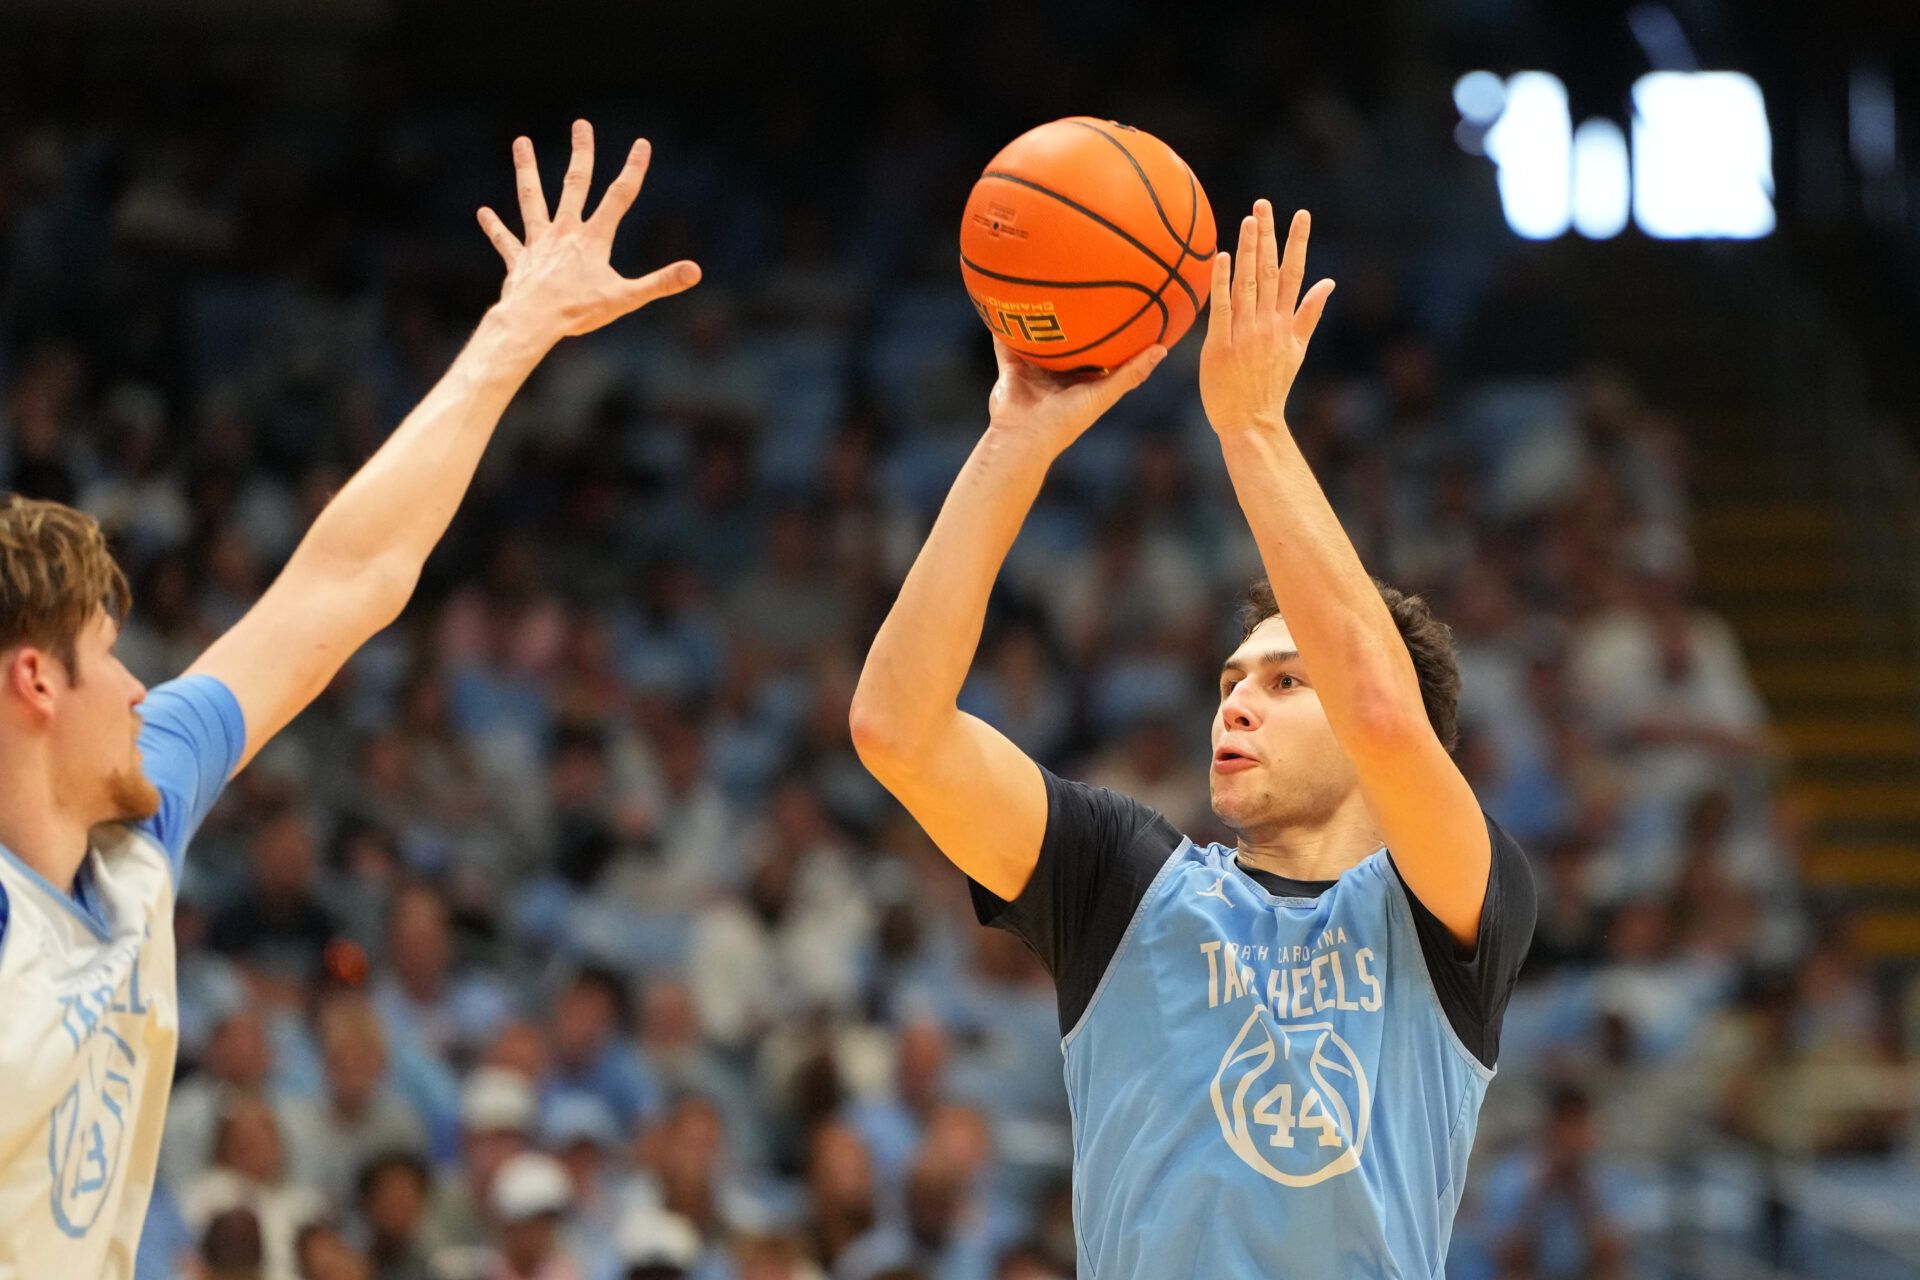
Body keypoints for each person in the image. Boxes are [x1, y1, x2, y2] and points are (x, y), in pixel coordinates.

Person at [0, 119, 700, 1275]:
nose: (140, 684)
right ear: (34, 680)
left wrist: (511, 336)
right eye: (107, 653)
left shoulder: (141, 808)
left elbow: (345, 578)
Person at [850, 203, 1536, 1276]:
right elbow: (896, 728)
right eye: (1229, 680)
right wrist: (1013, 442)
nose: (1237, 702)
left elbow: (1388, 715)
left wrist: (1253, 427)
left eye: (1284, 678)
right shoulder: (1125, 879)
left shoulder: (1447, 905)